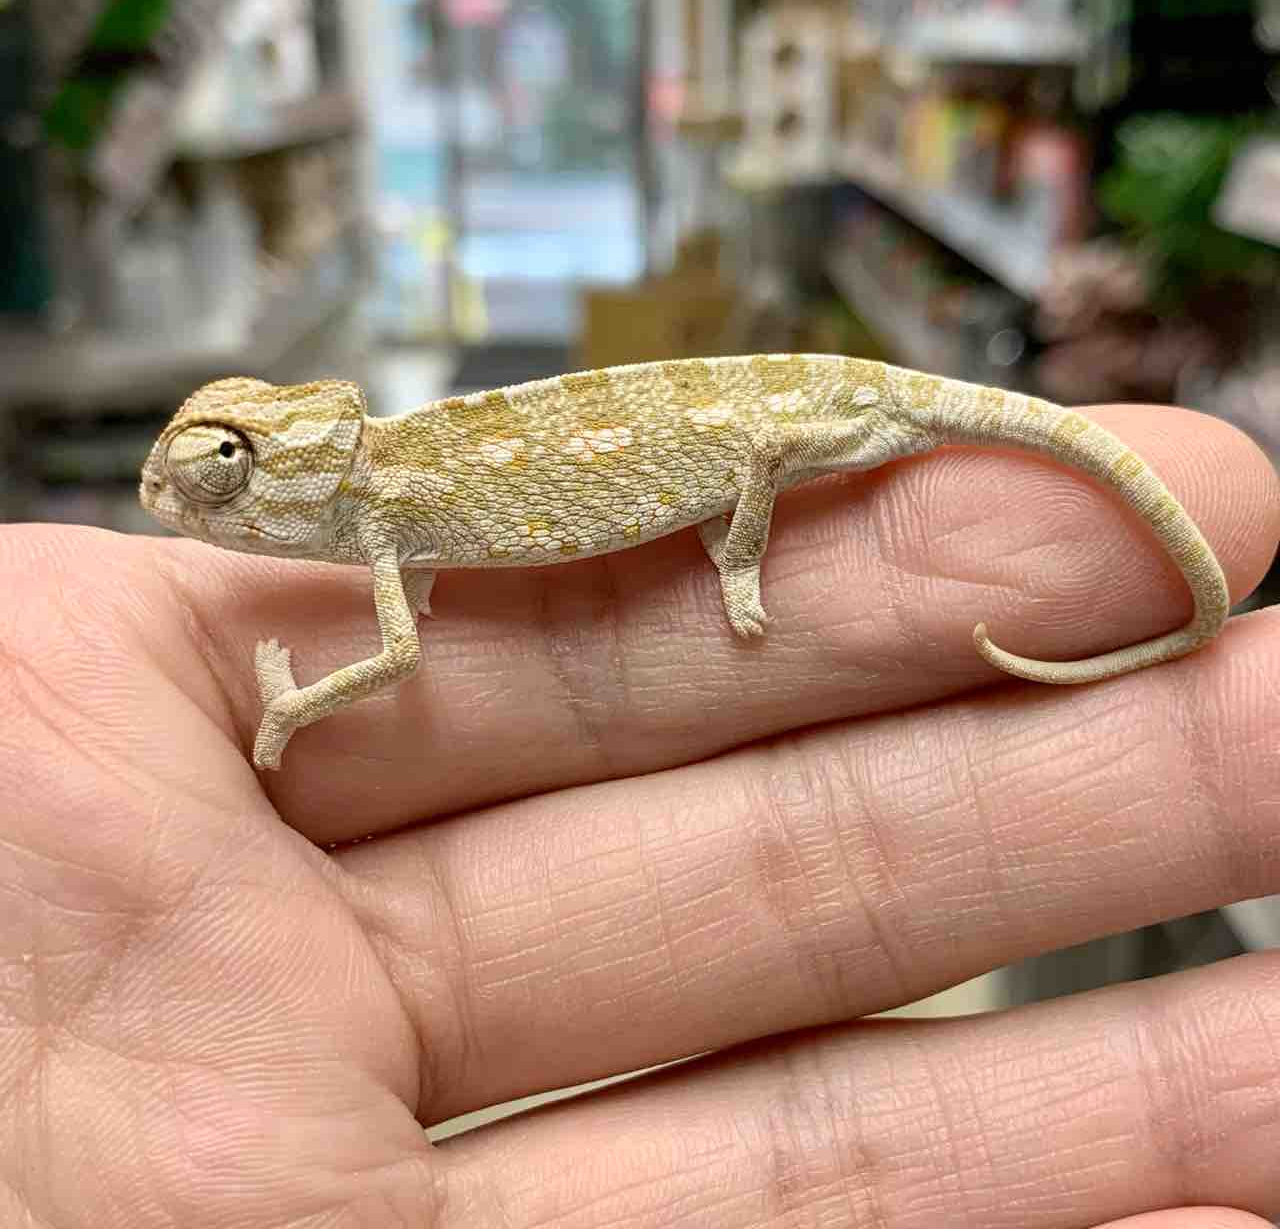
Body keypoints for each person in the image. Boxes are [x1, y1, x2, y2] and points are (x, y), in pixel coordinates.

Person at [2, 402, 1277, 1229]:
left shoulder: (384, 496)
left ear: (304, 458)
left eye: (226, 475)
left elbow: (393, 655)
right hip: (736, 431)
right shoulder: (387, 497)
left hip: (764, 432)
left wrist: (288, 708)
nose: (198, 509)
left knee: (767, 464)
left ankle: (762, 552)